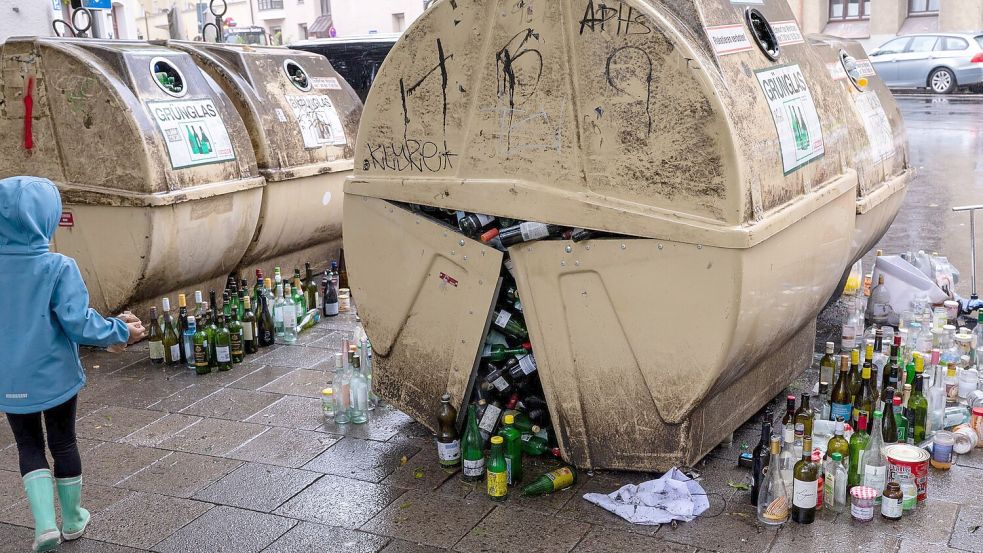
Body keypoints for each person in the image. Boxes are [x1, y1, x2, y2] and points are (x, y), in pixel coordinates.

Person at [0, 176, 145, 552]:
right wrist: (119, 332)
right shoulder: (58, 266)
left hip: (9, 377)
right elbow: (78, 322)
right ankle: (74, 519)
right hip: (55, 375)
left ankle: (45, 526)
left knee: (27, 446)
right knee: (63, 441)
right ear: (47, 218)